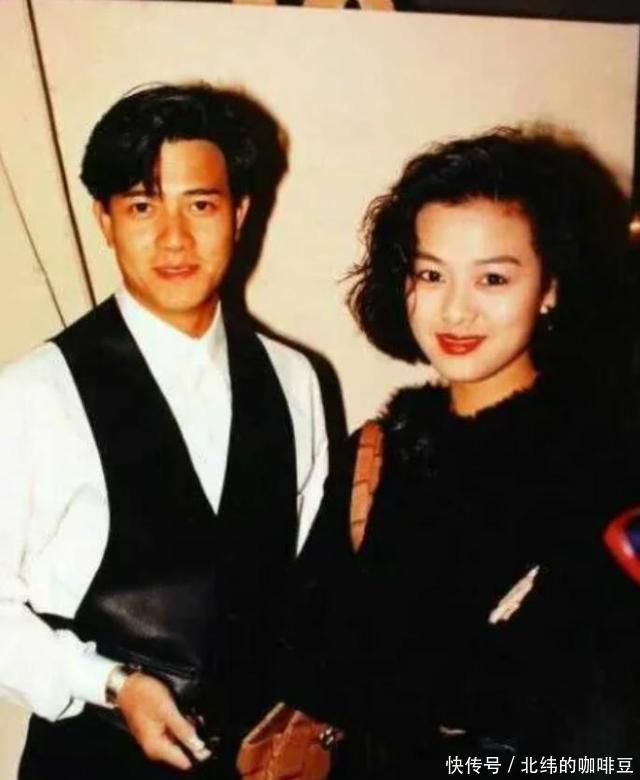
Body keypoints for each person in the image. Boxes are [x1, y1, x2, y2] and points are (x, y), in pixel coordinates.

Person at [281, 127, 640, 777]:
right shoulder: (380, 454)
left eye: (493, 278)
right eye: (431, 274)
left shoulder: (604, 464)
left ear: (551, 287)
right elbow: (308, 659)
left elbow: (602, 745)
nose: (455, 311)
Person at [0, 83, 327, 779]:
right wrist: (110, 684)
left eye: (200, 205)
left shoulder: (294, 380)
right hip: (89, 763)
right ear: (105, 218)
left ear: (240, 212)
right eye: (143, 206)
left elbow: (305, 587)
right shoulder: (32, 394)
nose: (174, 239)